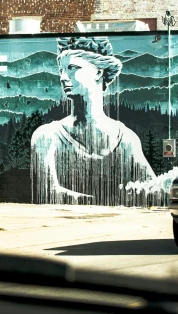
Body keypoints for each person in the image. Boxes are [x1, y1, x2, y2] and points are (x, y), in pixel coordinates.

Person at [31, 37, 155, 206]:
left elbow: (153, 191)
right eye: (61, 70)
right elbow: (47, 193)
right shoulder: (46, 136)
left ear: (98, 71)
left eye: (72, 68)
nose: (63, 77)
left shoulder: (125, 139)